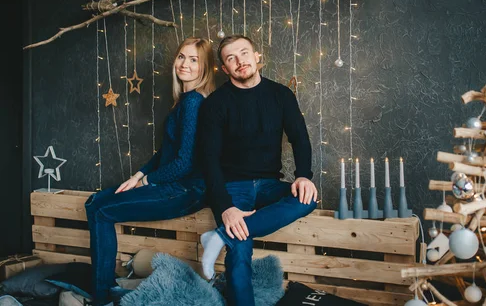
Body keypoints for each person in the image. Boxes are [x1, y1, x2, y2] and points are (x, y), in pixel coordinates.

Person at [85, 37, 215, 306]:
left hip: (186, 190)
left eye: (194, 60)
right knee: (94, 201)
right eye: (182, 56)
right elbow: (165, 153)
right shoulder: (184, 101)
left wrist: (147, 181)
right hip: (174, 185)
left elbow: (184, 164)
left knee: (100, 210)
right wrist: (137, 175)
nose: (185, 64)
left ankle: (100, 296)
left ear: (205, 67)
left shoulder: (194, 102)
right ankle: (107, 287)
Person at [197, 35, 318, 306]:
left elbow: (300, 139)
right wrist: (225, 207)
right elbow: (209, 161)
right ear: (225, 69)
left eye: (244, 53)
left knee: (307, 198)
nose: (240, 61)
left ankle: (217, 237)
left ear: (257, 56)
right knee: (240, 248)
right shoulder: (215, 104)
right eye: (231, 58)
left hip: (269, 185)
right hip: (232, 187)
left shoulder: (281, 95)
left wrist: (303, 176)